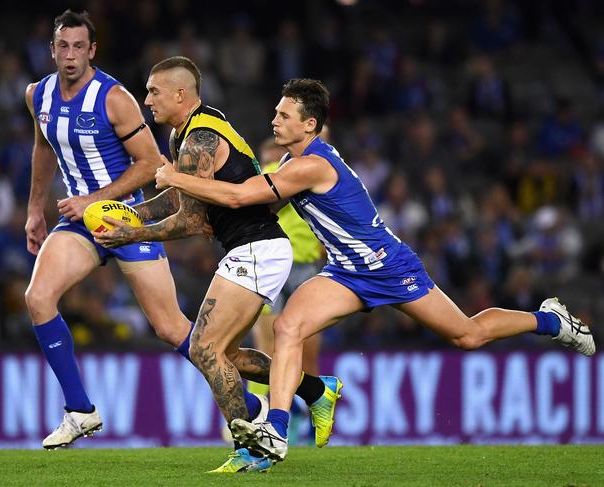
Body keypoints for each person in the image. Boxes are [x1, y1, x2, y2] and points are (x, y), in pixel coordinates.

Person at [156, 78, 596, 465]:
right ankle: (276, 427)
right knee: (288, 326)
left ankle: (551, 319)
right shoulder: (293, 166)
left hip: (389, 267)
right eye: (275, 112)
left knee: (467, 335)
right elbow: (244, 201)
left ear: (309, 125)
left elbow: (239, 198)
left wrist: (175, 177)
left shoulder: (312, 165)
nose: (274, 120)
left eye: (284, 115)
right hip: (345, 273)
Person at [23, 10, 267, 452]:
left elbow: (152, 164)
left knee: (172, 328)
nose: (71, 55)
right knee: (37, 298)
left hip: (127, 218)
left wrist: (96, 199)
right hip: (78, 221)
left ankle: (250, 404)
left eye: (80, 46)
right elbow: (43, 146)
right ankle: (80, 410)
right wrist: (35, 209)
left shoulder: (114, 98)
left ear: (92, 50)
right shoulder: (37, 95)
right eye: (63, 46)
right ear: (52, 49)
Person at [92, 58, 341, 473]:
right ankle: (315, 390)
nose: (147, 99)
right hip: (251, 248)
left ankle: (251, 445)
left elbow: (191, 221)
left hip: (258, 247)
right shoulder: (184, 135)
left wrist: (130, 235)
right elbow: (181, 201)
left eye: (154, 91)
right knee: (222, 352)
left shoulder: (200, 139)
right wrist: (131, 216)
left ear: (179, 95)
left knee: (203, 348)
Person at [248, 137, 324, 444]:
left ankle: (258, 417)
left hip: (272, 267)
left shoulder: (265, 177)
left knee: (266, 346)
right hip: (299, 266)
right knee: (306, 351)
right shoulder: (306, 175)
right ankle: (306, 422)